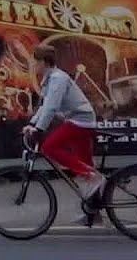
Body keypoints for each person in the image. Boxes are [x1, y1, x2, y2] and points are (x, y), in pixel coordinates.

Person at [24, 45, 103, 216]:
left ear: (44, 62)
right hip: (79, 120)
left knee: (49, 147)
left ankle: (90, 175)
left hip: (80, 120)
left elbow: (52, 107)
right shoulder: (50, 79)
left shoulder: (58, 78)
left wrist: (39, 129)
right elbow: (45, 106)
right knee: (86, 163)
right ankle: (93, 213)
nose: (33, 65)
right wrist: (32, 123)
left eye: (35, 62)